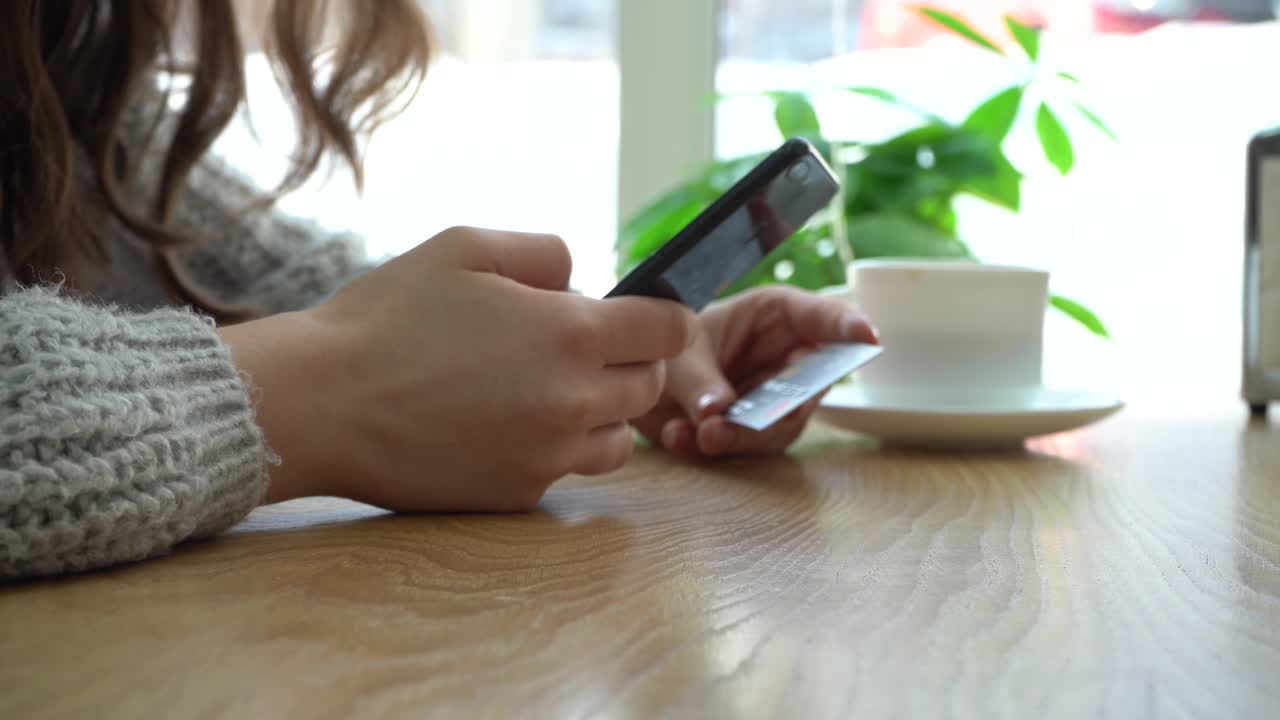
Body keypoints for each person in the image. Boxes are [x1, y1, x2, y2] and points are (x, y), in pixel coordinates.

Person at [0, 0, 876, 581]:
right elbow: (318, 345)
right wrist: (311, 394)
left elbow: (234, 262)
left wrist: (574, 353)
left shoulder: (72, 61)